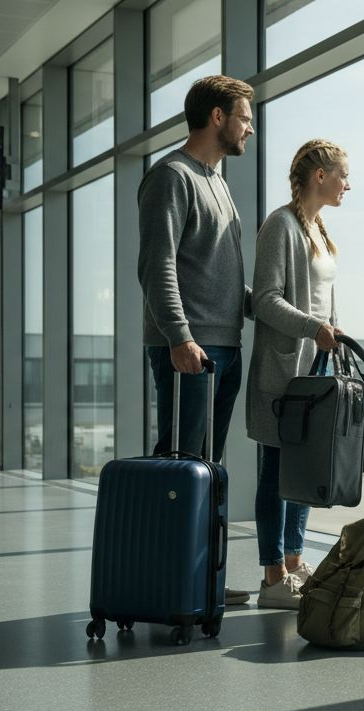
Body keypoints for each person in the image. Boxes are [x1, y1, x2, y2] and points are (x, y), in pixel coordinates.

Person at [137, 75, 255, 605]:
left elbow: (220, 273)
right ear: (216, 117)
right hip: (189, 349)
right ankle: (169, 580)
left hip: (223, 346)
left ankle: (200, 578)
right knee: (183, 467)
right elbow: (156, 264)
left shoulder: (218, 181)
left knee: (208, 467)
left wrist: (267, 306)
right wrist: (180, 337)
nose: (249, 127)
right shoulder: (171, 176)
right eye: (244, 117)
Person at [245, 139, 352, 609]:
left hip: (315, 370)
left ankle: (293, 562)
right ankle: (272, 577)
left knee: (305, 470)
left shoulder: (318, 229)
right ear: (320, 176)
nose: (348, 184)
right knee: (276, 472)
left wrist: (329, 330)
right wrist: (314, 327)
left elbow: (321, 299)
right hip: (283, 371)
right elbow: (265, 301)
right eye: (343, 174)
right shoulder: (281, 226)